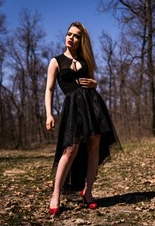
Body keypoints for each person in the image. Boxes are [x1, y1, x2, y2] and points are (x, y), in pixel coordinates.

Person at [45, 22, 121, 215]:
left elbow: (91, 82)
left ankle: (88, 192)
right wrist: (48, 113)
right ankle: (55, 195)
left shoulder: (85, 60)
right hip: (72, 108)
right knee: (70, 149)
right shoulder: (56, 61)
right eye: (69, 34)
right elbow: (50, 89)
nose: (71, 37)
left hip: (92, 105)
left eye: (76, 35)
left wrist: (95, 83)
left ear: (81, 40)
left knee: (94, 146)